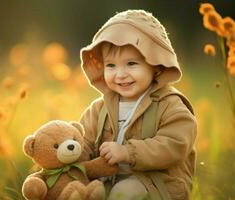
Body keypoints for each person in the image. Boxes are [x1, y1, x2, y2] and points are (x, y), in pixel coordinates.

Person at [78, 10, 197, 200]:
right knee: (79, 191)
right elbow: (83, 141)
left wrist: (128, 152)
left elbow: (175, 144)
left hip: (157, 184)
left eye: (131, 63)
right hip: (108, 178)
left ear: (156, 65)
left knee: (123, 193)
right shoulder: (99, 109)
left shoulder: (171, 106)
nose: (120, 74)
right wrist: (69, 162)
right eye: (111, 65)